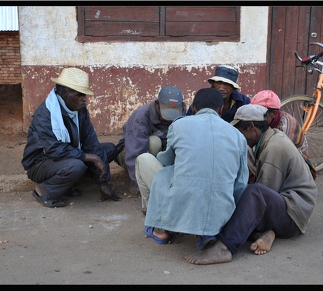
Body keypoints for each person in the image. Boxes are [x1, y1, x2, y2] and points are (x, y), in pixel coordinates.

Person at [184, 104, 318, 265]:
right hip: (282, 206)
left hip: (293, 215)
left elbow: (264, 194)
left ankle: (225, 248)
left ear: (251, 127)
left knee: (254, 194)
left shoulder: (275, 147)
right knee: (242, 199)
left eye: (240, 131)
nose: (238, 136)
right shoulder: (266, 138)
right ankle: (267, 233)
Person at [136, 87, 249, 248]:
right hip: (221, 212)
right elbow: (240, 183)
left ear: (194, 109)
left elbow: (167, 160)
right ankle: (210, 229)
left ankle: (160, 227)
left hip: (182, 203)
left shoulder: (180, 125)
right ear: (221, 109)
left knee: (145, 160)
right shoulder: (237, 135)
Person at [21, 67, 122, 208]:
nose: (84, 99)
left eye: (84, 95)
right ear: (63, 93)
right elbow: (55, 150)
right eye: (79, 94)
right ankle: (44, 190)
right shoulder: (45, 114)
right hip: (41, 163)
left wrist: (103, 183)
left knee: (109, 149)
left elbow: (91, 141)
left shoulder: (79, 110)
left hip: (66, 156)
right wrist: (91, 158)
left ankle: (68, 184)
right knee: (76, 165)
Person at [114, 85, 187, 200]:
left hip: (160, 153)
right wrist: (141, 187)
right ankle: (142, 178)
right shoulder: (141, 117)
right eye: (167, 113)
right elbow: (135, 154)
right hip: (129, 153)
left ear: (181, 107)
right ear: (157, 105)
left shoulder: (184, 113)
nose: (169, 119)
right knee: (154, 142)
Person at [250, 90, 316, 180]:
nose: (255, 117)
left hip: (296, 168)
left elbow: (278, 157)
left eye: (260, 113)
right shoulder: (265, 122)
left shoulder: (286, 126)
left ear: (273, 114)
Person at [186, 65, 250, 122]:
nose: (222, 88)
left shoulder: (243, 102)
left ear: (233, 87)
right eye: (219, 83)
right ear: (213, 84)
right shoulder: (201, 98)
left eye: (227, 84)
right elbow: (189, 121)